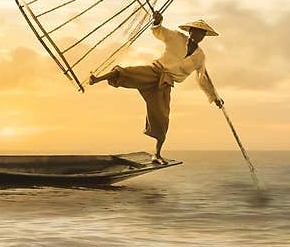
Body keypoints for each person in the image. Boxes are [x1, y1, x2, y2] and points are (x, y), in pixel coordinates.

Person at [88, 11, 223, 163]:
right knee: (128, 72)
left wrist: (215, 97)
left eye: (201, 34)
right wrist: (157, 22)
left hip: (165, 83)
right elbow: (160, 32)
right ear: (190, 31)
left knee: (162, 118)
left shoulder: (200, 56)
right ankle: (97, 79)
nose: (198, 36)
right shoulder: (177, 37)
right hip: (154, 71)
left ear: (203, 37)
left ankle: (156, 155)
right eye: (196, 32)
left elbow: (203, 78)